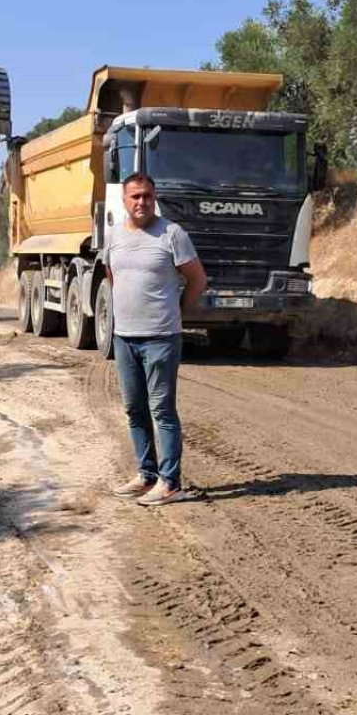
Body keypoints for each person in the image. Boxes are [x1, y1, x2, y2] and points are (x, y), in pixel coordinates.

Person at [105, 172, 208, 506]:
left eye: (147, 195)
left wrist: (177, 311)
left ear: (155, 198)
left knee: (162, 410)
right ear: (124, 200)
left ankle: (170, 483)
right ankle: (146, 474)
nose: (141, 202)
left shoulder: (171, 234)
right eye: (135, 196)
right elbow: (113, 274)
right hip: (124, 337)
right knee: (134, 409)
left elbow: (196, 279)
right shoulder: (115, 235)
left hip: (161, 337)